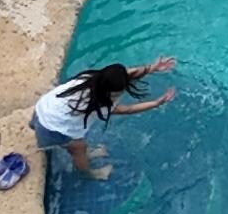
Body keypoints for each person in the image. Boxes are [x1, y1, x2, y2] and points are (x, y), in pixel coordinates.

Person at [32, 55, 176, 178]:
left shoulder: (91, 77)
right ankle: (89, 174)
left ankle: (87, 156)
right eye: (117, 93)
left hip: (43, 107)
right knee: (79, 148)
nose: (119, 95)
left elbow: (124, 74)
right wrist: (157, 102)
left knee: (77, 144)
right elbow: (128, 109)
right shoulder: (97, 104)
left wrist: (152, 68)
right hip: (51, 127)